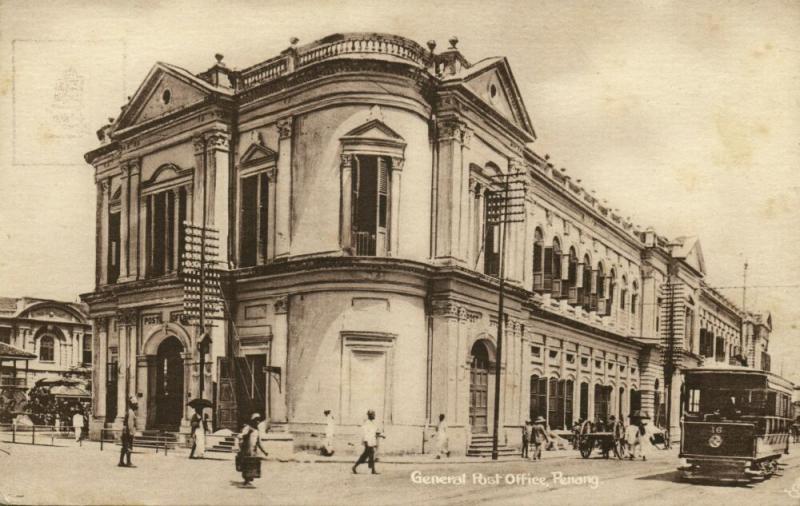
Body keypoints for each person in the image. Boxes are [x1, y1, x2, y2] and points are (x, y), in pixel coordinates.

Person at [237, 413, 269, 486]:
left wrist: (264, 452)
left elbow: (258, 443)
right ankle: (246, 481)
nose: (257, 422)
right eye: (256, 420)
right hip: (246, 450)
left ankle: (248, 480)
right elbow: (241, 436)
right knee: (246, 465)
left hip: (253, 451)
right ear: (252, 420)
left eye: (258, 420)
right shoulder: (248, 428)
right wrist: (241, 443)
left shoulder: (257, 431)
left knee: (252, 466)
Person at [352, 409, 382, 474]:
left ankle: (355, 467)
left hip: (371, 442)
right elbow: (365, 433)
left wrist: (381, 435)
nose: (375, 416)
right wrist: (366, 442)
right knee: (369, 455)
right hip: (368, 442)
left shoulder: (372, 423)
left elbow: (374, 432)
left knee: (366, 456)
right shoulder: (367, 423)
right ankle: (372, 470)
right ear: (370, 415)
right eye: (373, 414)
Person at [118, 399, 137, 467]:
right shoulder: (131, 413)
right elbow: (130, 424)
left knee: (124, 447)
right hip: (128, 433)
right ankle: (128, 462)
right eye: (135, 404)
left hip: (125, 432)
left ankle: (121, 461)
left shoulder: (128, 412)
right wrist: (131, 433)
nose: (136, 405)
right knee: (129, 447)